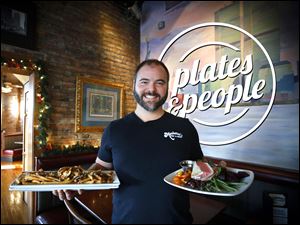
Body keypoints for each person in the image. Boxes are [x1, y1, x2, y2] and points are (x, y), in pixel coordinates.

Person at [53, 59, 204, 224]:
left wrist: (218, 173)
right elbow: (101, 167)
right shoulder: (114, 129)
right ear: (134, 85)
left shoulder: (185, 127)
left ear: (167, 86)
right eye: (144, 82)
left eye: (159, 82)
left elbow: (199, 167)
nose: (151, 89)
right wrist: (77, 181)